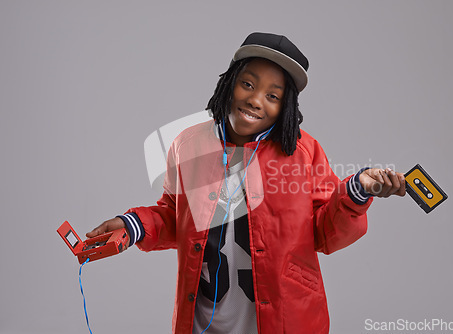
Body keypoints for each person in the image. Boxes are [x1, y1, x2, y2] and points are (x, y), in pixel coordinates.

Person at [86, 32, 406, 334]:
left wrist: (357, 191)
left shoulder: (304, 151)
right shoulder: (188, 145)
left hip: (286, 321)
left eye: (272, 96)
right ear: (229, 84)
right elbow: (176, 216)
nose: (255, 100)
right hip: (201, 322)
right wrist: (132, 225)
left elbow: (326, 232)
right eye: (247, 84)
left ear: (286, 106)